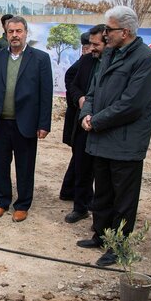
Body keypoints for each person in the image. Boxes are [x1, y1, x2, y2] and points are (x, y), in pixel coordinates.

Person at [77, 6, 151, 266]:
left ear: (125, 32)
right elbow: (93, 91)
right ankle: (101, 236)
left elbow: (131, 105)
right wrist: (87, 115)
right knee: (102, 192)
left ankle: (118, 246)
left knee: (123, 199)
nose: (105, 34)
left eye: (109, 29)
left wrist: (97, 121)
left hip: (126, 143)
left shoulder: (145, 60)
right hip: (101, 138)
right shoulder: (109, 54)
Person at [0, 16, 53, 223]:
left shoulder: (40, 59)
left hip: (27, 123)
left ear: (26, 33)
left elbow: (45, 94)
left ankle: (22, 205)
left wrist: (44, 124)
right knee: (0, 164)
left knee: (25, 166)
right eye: (11, 32)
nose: (14, 35)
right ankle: (2, 201)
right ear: (6, 33)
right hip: (0, 122)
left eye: (18, 31)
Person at [61, 25, 107, 224]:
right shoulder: (87, 61)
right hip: (83, 122)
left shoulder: (114, 63)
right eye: (91, 44)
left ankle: (100, 214)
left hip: (105, 125)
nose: (91, 48)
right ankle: (80, 207)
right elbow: (73, 82)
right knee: (81, 166)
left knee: (103, 173)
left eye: (96, 44)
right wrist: (79, 98)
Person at [59, 31, 91, 202]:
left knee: (79, 158)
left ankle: (68, 190)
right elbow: (73, 93)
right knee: (79, 159)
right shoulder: (78, 68)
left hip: (82, 120)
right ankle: (71, 192)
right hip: (78, 121)